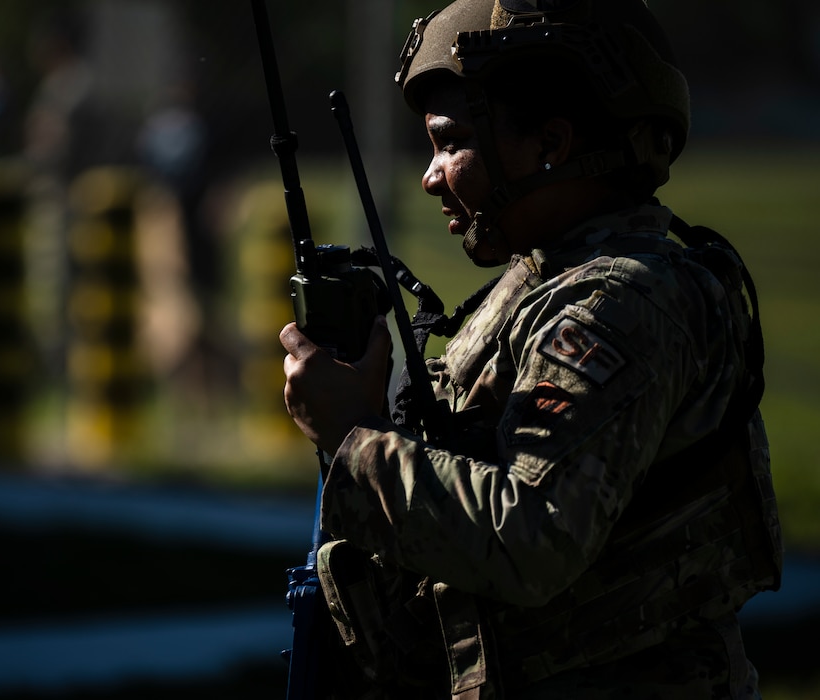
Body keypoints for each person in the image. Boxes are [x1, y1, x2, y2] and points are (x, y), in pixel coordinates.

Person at [278, 0, 782, 697]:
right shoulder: (541, 279)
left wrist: (356, 439)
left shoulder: (619, 305)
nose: (431, 176)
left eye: (450, 143)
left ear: (549, 143)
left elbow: (531, 538)